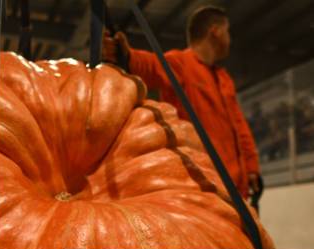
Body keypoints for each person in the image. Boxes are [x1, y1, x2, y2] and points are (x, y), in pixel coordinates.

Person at [102, 6, 261, 199]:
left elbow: (239, 125)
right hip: (204, 187)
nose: (229, 38)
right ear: (215, 31)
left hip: (237, 187)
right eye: (227, 31)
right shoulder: (180, 63)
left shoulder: (224, 77)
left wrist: (251, 168)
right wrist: (126, 56)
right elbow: (151, 66)